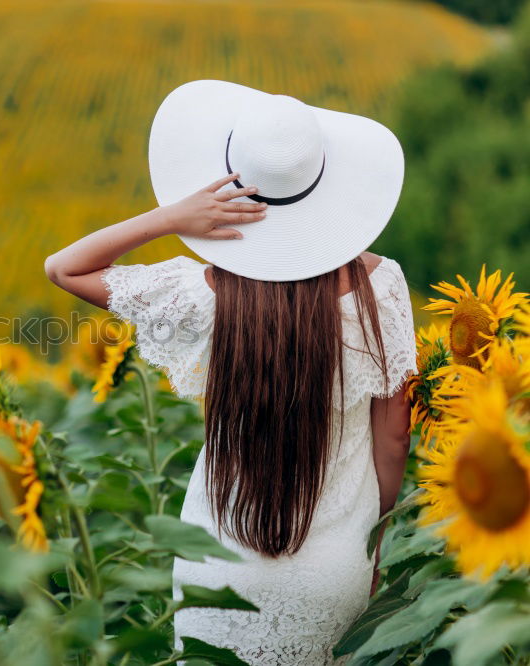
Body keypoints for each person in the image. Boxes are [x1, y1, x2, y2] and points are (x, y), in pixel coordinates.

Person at [44, 80, 416, 664]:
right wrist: (376, 539)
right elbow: (394, 435)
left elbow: (65, 269)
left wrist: (174, 217)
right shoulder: (381, 287)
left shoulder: (200, 296)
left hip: (217, 563)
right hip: (337, 564)